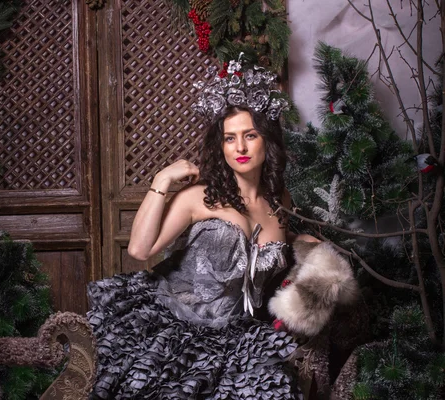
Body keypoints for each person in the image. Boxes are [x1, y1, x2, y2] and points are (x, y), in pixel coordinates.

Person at [87, 62, 317, 399]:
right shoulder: (199, 198)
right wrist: (160, 181)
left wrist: (303, 243)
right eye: (230, 138)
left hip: (238, 336)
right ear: (220, 145)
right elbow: (139, 250)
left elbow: (264, 253)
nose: (239, 148)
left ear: (267, 141)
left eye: (250, 136)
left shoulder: (281, 200)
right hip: (173, 328)